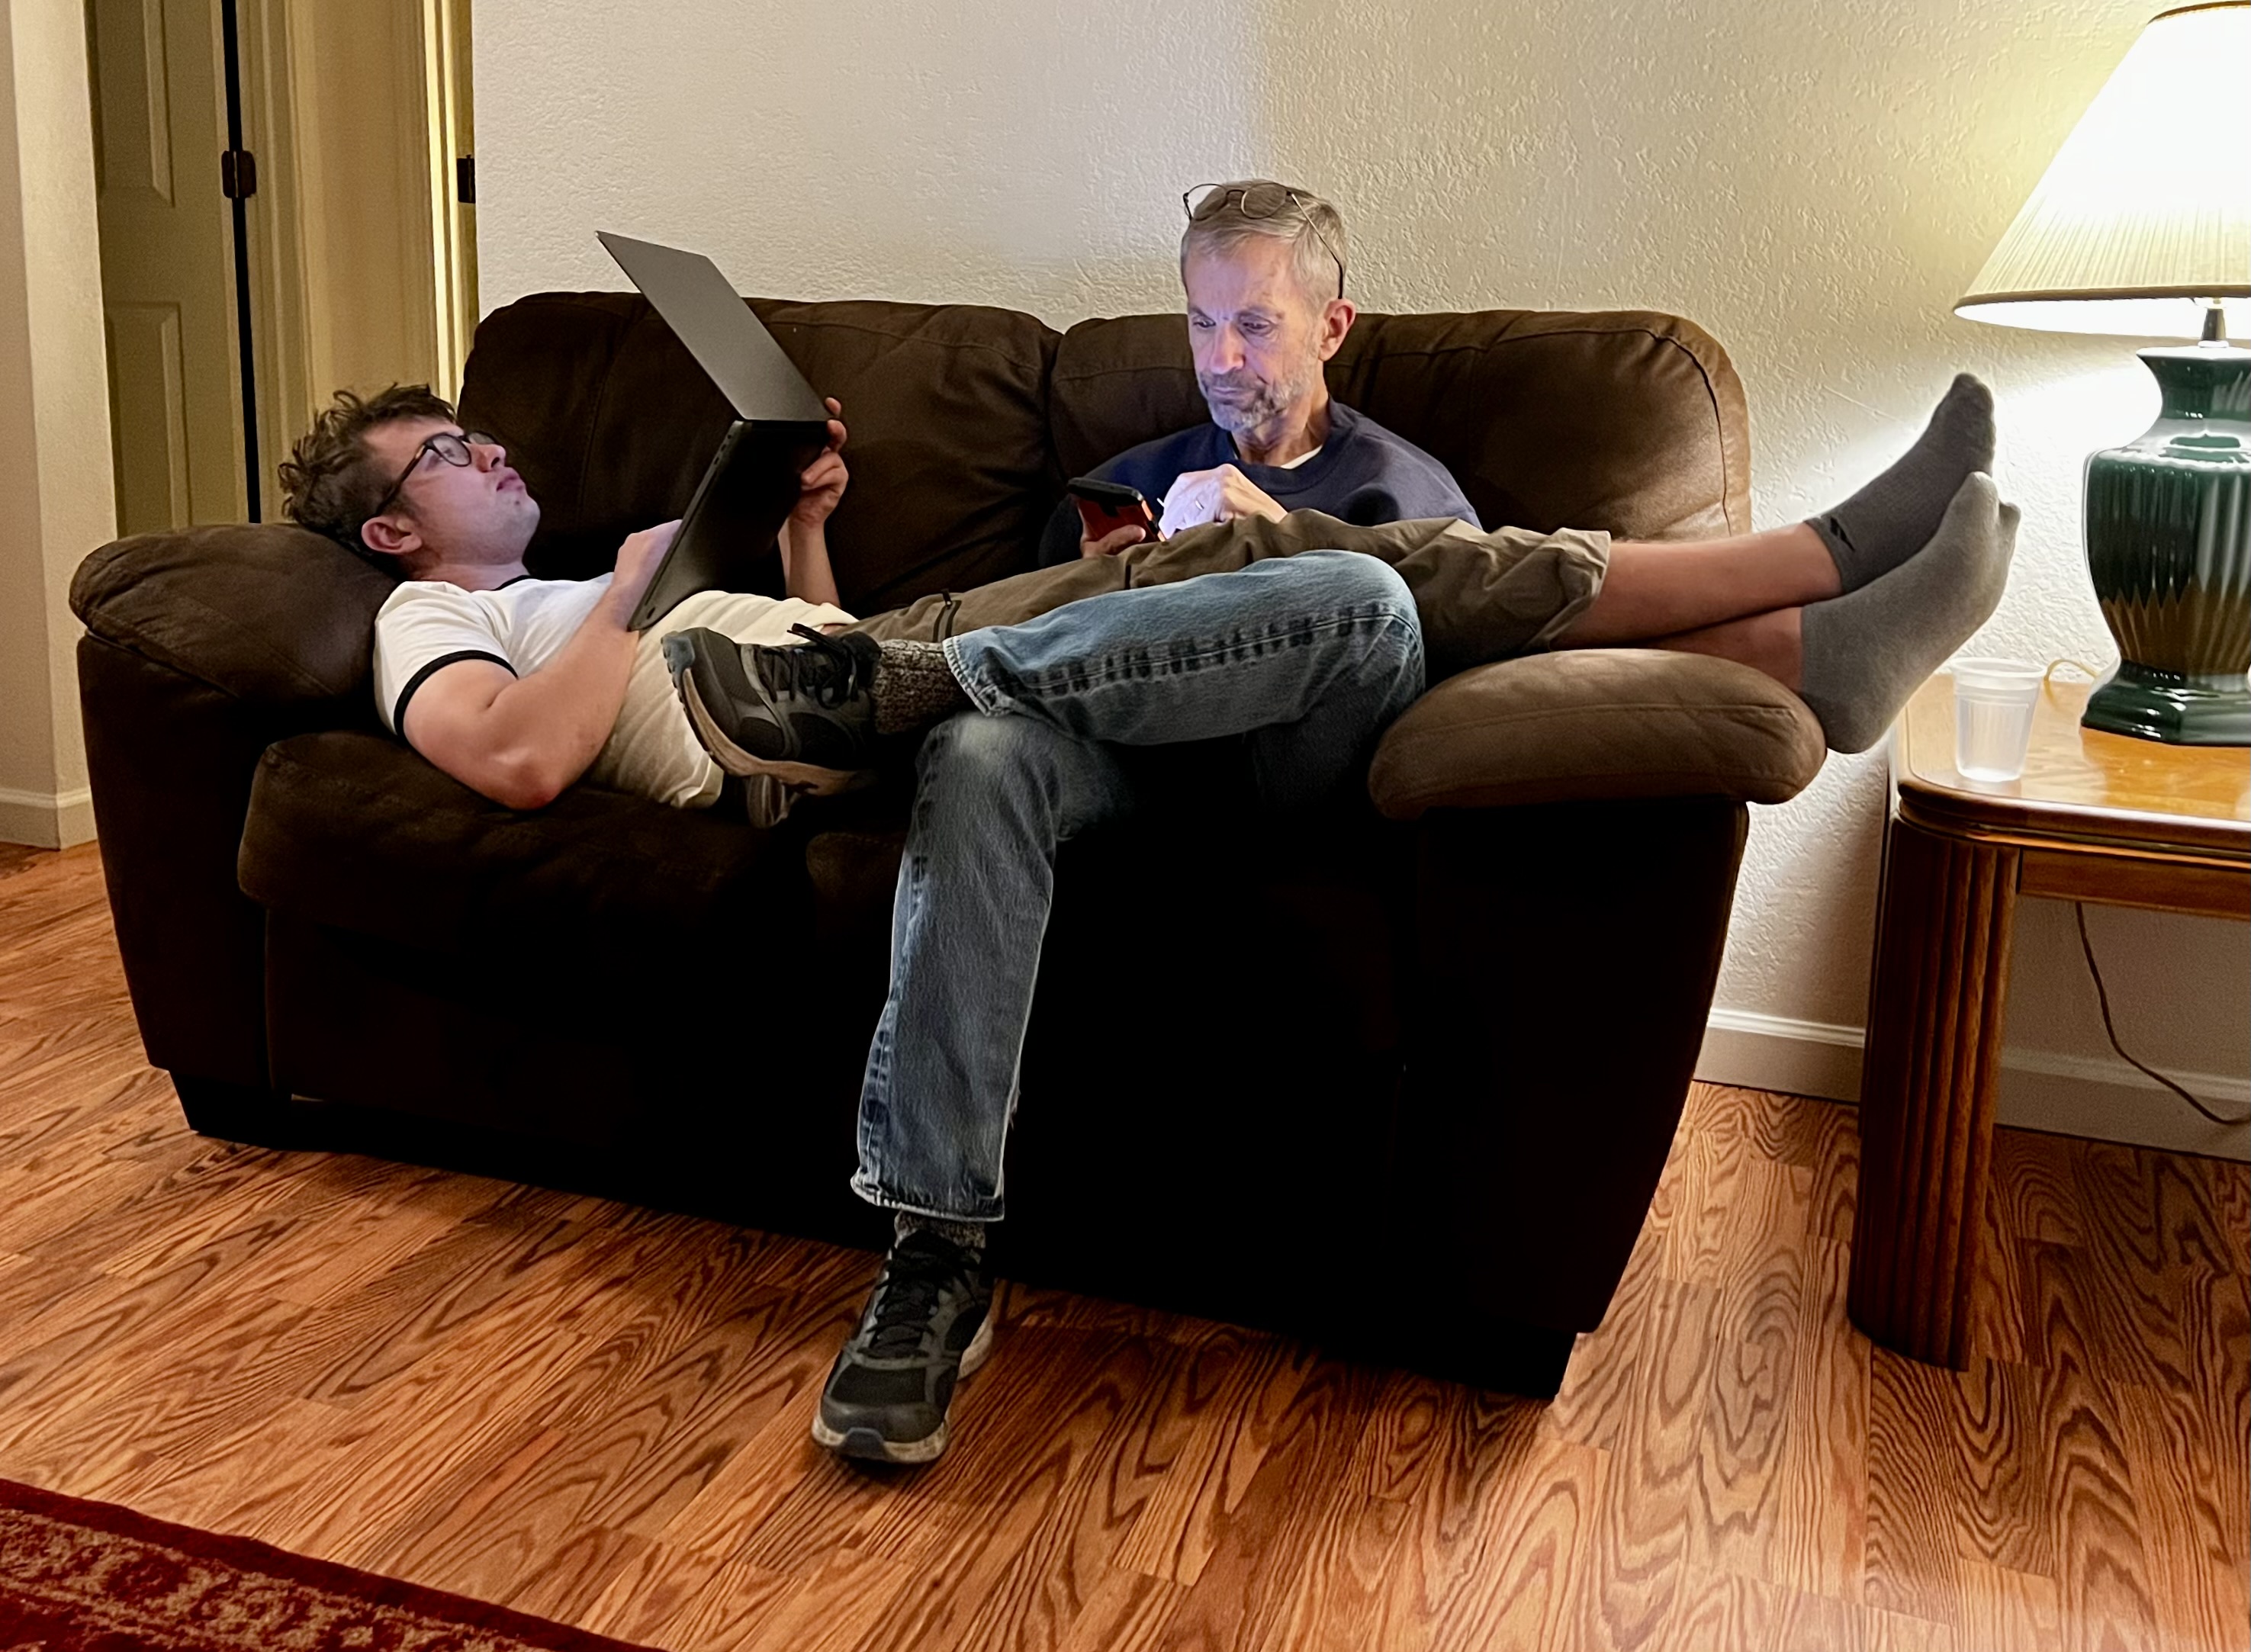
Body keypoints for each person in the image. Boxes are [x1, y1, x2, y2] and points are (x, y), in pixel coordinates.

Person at [285, 328, 2011, 1469]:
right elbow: (518, 760)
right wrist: (635, 589)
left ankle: (1811, 603)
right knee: (1220, 639)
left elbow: (805, 628)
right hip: (883, 730)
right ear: (390, 534)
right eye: (446, 453)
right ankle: (932, 1257)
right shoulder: (443, 622)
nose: (492, 451)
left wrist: (796, 531)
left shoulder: (603, 573)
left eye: (480, 432)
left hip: (889, 671)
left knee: (1331, 596)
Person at [1034, 180, 1479, 567]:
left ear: (1330, 330)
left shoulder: (1407, 499)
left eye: (1255, 325)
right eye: (1204, 323)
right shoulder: (1120, 488)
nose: (1220, 360)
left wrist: (1288, 541)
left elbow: (1454, 620)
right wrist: (1094, 586)